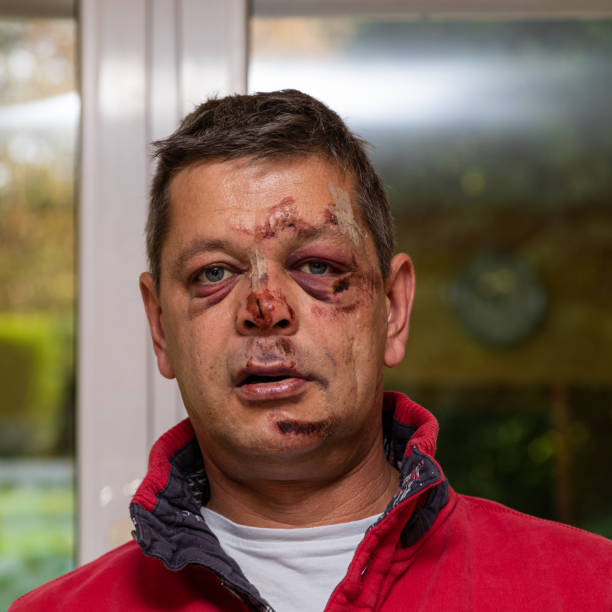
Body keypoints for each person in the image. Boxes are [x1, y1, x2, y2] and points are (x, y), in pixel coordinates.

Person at [11, 90, 611, 611]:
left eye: (318, 265)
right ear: (161, 326)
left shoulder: (591, 590)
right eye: (214, 273)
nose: (265, 306)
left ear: (395, 309)